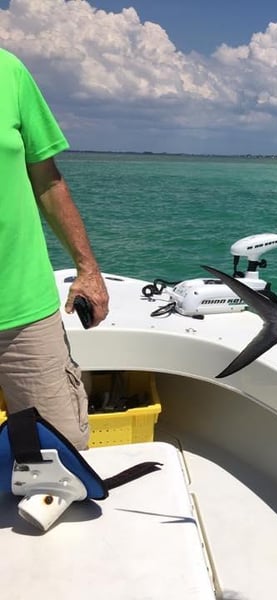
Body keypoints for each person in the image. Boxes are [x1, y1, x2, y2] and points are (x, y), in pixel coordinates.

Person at [0, 48, 109, 450]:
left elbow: (47, 180)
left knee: (62, 452)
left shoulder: (8, 70)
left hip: (24, 310)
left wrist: (88, 270)